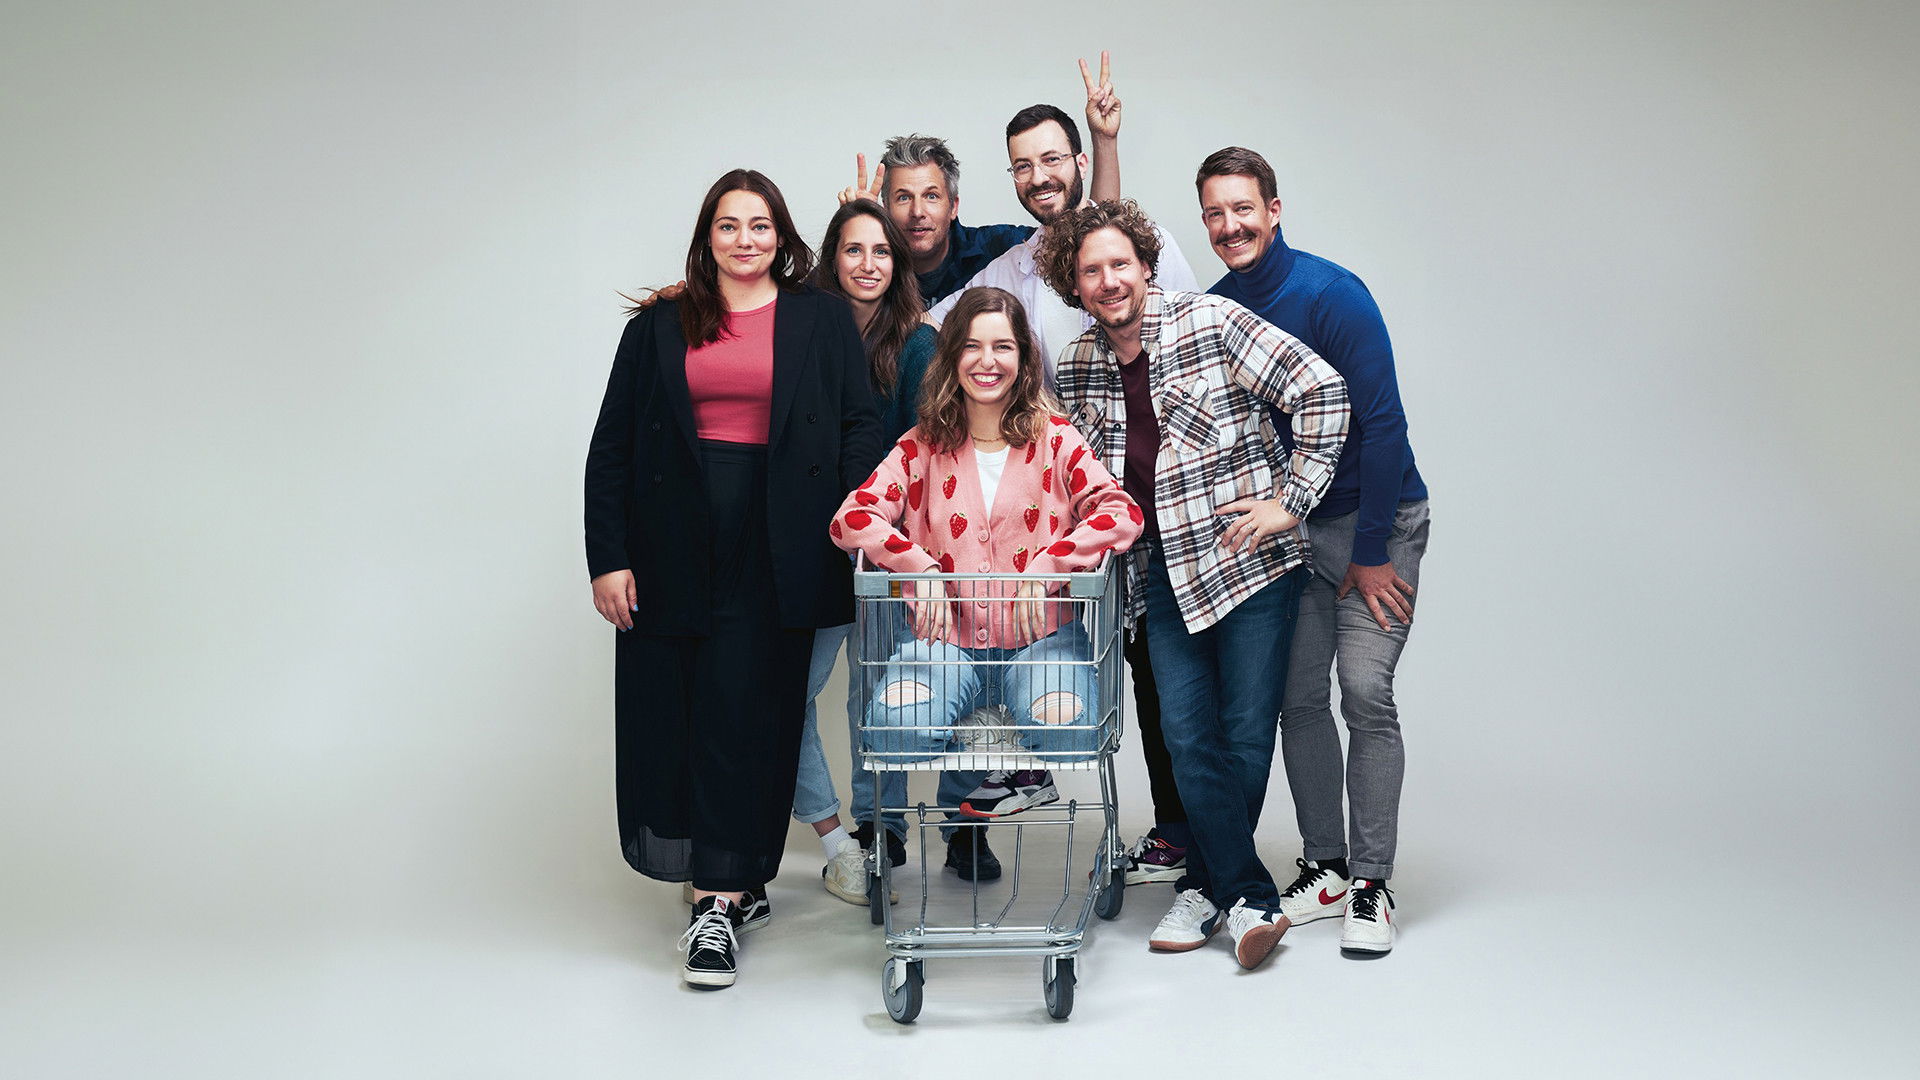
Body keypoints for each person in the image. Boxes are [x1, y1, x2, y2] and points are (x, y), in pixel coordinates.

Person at [583, 169, 882, 990]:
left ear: (782, 237)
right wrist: (608, 557)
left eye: (759, 225)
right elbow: (612, 447)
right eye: (728, 225)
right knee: (678, 710)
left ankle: (715, 904)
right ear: (706, 236)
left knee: (748, 713)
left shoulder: (820, 318)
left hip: (782, 540)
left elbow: (859, 424)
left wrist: (844, 512)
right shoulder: (658, 325)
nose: (745, 240)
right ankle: (724, 882)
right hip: (671, 540)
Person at [1041, 200, 1350, 971]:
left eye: (1120, 263)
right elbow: (1078, 475)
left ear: (1146, 265)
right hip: (1161, 575)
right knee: (1185, 735)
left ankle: (1206, 888)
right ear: (1074, 285)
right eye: (1091, 271)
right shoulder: (1077, 364)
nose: (1109, 281)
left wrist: (1290, 503)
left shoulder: (1210, 322)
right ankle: (1247, 896)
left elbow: (1322, 391)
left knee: (1244, 734)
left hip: (1248, 565)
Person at [1196, 147, 1429, 956]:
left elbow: (1385, 425)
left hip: (1377, 522)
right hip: (1293, 531)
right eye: (1216, 214)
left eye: (1244, 209)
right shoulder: (1218, 309)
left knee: (1364, 692)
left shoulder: (1333, 295)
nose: (1231, 226)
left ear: (1275, 209)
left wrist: (1370, 551)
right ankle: (1326, 866)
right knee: (1296, 698)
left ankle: (1372, 883)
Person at [830, 286, 1141, 835]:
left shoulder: (1057, 439)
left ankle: (998, 774)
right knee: (896, 731)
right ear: (951, 356)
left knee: (1070, 733)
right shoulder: (920, 446)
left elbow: (1121, 513)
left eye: (1002, 346)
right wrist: (919, 568)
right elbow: (851, 518)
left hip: (1043, 642)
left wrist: (1048, 568)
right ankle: (981, 775)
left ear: (1024, 357)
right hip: (942, 644)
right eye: (972, 346)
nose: (987, 361)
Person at [788, 199, 972, 903]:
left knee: (878, 695)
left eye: (882, 252)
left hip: (889, 551)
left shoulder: (918, 345)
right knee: (788, 694)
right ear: (831, 259)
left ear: (899, 266)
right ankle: (833, 833)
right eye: (854, 249)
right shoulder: (800, 329)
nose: (868, 265)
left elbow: (934, 447)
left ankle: (880, 827)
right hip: (808, 547)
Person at [928, 55, 1200, 377]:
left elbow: (1196, 336)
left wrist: (1105, 140)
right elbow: (929, 325)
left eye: (1052, 159)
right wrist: (875, 229)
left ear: (1081, 164)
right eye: (1023, 166)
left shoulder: (1152, 244)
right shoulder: (1009, 271)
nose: (1039, 177)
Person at [835, 53, 1125, 307]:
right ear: (885, 208)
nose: (917, 211)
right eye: (903, 197)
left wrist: (1104, 139)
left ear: (954, 205)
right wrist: (862, 227)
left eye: (931, 195)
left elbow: (1091, 233)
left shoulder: (1001, 251)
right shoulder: (871, 262)